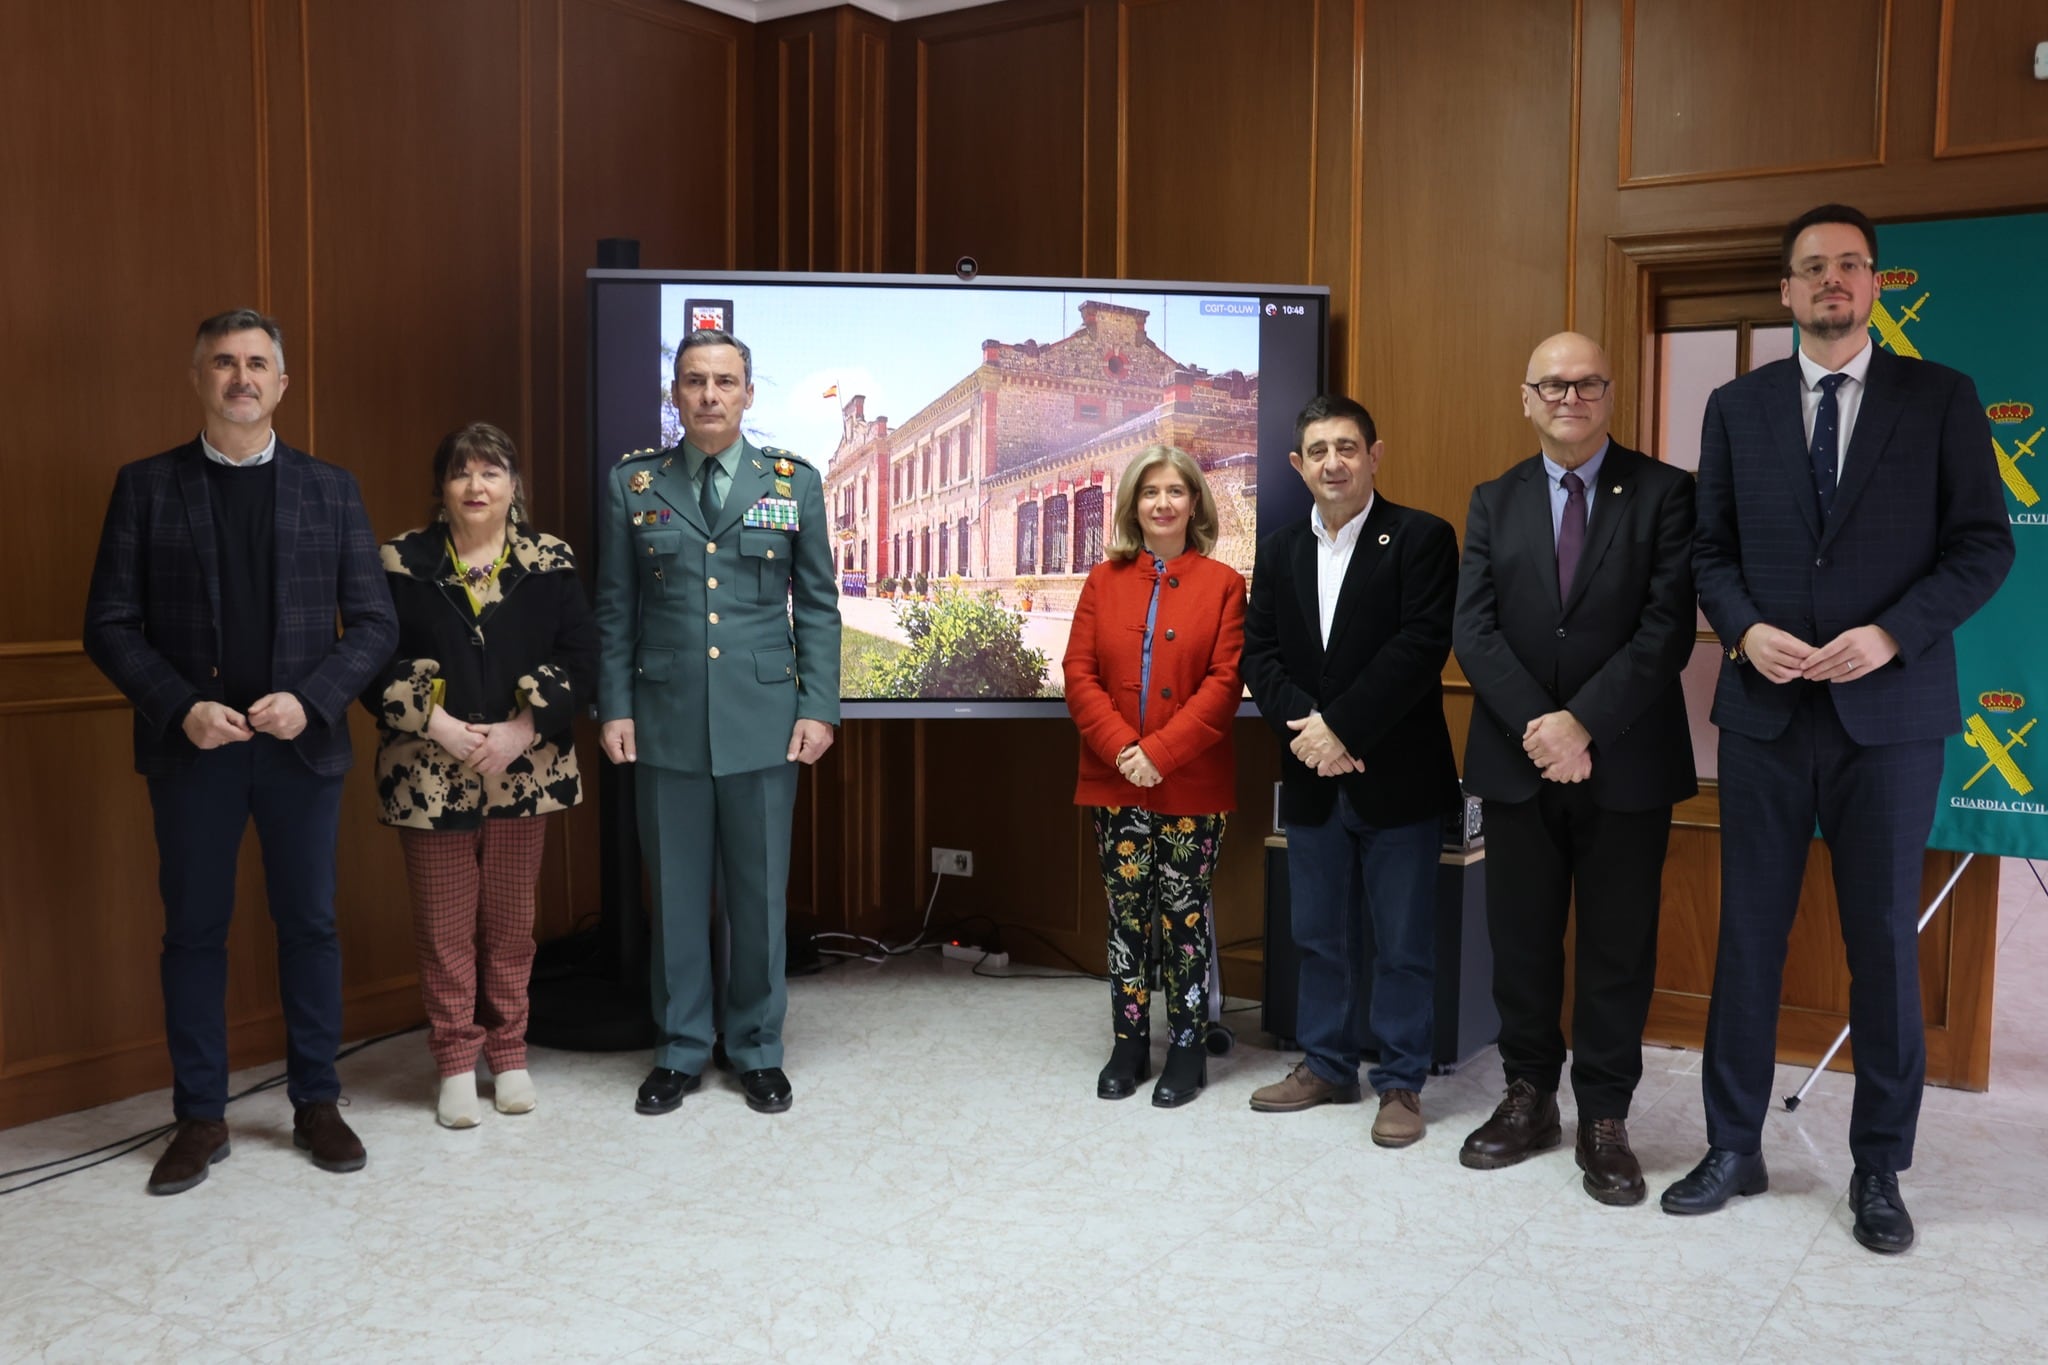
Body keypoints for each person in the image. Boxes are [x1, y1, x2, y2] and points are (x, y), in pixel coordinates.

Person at [1667, 204, 2014, 1251]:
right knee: (1747, 939)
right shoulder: (1736, 407)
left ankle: (1877, 1169)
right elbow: (1706, 550)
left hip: (1890, 717)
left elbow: (1980, 548)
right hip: (1767, 711)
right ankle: (1733, 1146)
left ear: (1874, 287)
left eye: (1848, 267)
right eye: (1810, 268)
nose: (1830, 282)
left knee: (1880, 949)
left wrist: (1891, 637)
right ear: (1783, 290)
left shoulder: (1940, 398)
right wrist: (1740, 629)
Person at [82, 309, 397, 1195]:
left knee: (310, 926)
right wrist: (181, 707)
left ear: (283, 384)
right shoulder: (145, 487)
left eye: (258, 363)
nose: (241, 377)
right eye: (224, 362)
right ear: (197, 378)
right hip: (194, 753)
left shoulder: (331, 489)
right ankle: (200, 1116)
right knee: (193, 934)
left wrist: (314, 699)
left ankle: (317, 1102)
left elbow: (374, 624)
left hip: (301, 751)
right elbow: (106, 623)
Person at [1451, 332, 1698, 1204]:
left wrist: (1582, 723)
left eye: (1586, 382)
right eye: (1552, 384)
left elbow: (1666, 628)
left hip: (1626, 759)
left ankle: (1604, 1114)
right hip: (1519, 763)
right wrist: (1542, 727)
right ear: (1526, 398)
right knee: (1520, 941)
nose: (1569, 396)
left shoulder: (1666, 492)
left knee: (1617, 947)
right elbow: (1473, 629)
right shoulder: (1493, 499)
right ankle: (1528, 1097)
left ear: (1609, 393)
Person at [594, 328, 841, 1117]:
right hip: (664, 716)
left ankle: (758, 1048)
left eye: (724, 382)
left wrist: (818, 707)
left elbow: (822, 607)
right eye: (695, 381)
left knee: (759, 894)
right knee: (674, 891)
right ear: (676, 395)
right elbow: (614, 607)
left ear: (747, 394)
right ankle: (680, 1048)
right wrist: (616, 705)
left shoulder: (791, 482)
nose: (709, 395)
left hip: (765, 717)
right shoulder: (633, 484)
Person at [363, 422, 599, 1128]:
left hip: (523, 770)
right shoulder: (402, 561)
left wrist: (523, 730)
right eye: (461, 472)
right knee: (443, 926)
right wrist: (434, 721)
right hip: (428, 771)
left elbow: (584, 659)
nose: (476, 485)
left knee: (510, 924)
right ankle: (456, 1063)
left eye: (491, 472)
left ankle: (510, 1050)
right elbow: (370, 663)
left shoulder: (548, 560)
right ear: (441, 486)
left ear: (514, 485)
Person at [1242, 394, 1462, 1147]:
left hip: (1397, 775)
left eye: (1347, 446)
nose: (1333, 461)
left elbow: (1420, 647)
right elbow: (1259, 655)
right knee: (1318, 934)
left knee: (1403, 942)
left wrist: (1341, 727)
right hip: (1310, 774)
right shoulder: (1276, 550)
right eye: (1318, 450)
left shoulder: (1422, 538)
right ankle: (1327, 1064)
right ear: (1297, 465)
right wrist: (1311, 734)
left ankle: (1399, 1082)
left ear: (1375, 453)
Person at [1063, 445, 1246, 1107]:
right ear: (1133, 505)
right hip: (1116, 780)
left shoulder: (1224, 583)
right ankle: (1130, 1042)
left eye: (1175, 490)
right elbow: (1078, 675)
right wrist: (1122, 750)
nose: (1163, 502)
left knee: (1184, 913)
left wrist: (1160, 754)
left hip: (1190, 782)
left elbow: (1224, 687)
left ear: (1194, 501)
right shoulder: (1102, 580)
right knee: (1126, 916)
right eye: (1150, 492)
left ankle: (1189, 1045)